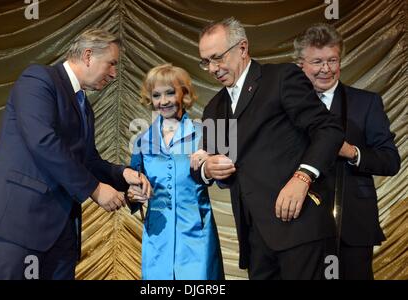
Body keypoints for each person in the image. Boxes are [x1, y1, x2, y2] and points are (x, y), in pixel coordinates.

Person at [0, 28, 152, 280]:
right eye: (111, 64)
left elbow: (88, 160)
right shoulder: (38, 79)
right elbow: (43, 141)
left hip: (60, 233)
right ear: (88, 55)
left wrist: (125, 174)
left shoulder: (84, 107)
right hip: (16, 224)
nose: (114, 73)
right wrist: (95, 189)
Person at [191, 17, 344, 280]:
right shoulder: (213, 108)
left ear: (242, 48)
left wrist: (302, 177)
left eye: (217, 58)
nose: (212, 68)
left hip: (300, 225)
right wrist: (207, 168)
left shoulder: (281, 78)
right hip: (255, 238)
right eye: (206, 62)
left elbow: (328, 130)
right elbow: (205, 165)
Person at [294, 23, 400, 280]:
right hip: (300, 225)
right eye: (317, 61)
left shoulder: (367, 102)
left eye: (333, 60)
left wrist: (353, 152)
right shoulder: (288, 107)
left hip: (353, 225)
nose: (326, 69)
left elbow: (391, 160)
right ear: (300, 65)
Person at [127, 63, 224, 280]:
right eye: (156, 95)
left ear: (184, 94)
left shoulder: (203, 133)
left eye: (170, 93)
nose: (163, 101)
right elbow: (133, 185)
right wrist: (133, 195)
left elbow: (224, 180)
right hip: (157, 236)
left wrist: (211, 164)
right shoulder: (142, 140)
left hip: (197, 235)